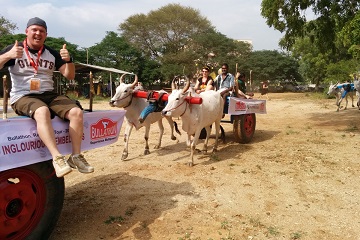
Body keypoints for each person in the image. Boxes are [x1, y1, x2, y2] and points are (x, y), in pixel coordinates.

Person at [0, 17, 94, 177]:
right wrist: (8, 55)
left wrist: (68, 60)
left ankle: (76, 156)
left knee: (77, 112)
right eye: (34, 30)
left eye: (41, 31)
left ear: (46, 34)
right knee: (42, 111)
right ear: (27, 32)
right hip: (23, 95)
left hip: (49, 94)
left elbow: (69, 75)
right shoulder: (15, 49)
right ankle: (57, 158)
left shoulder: (51, 53)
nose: (38, 33)